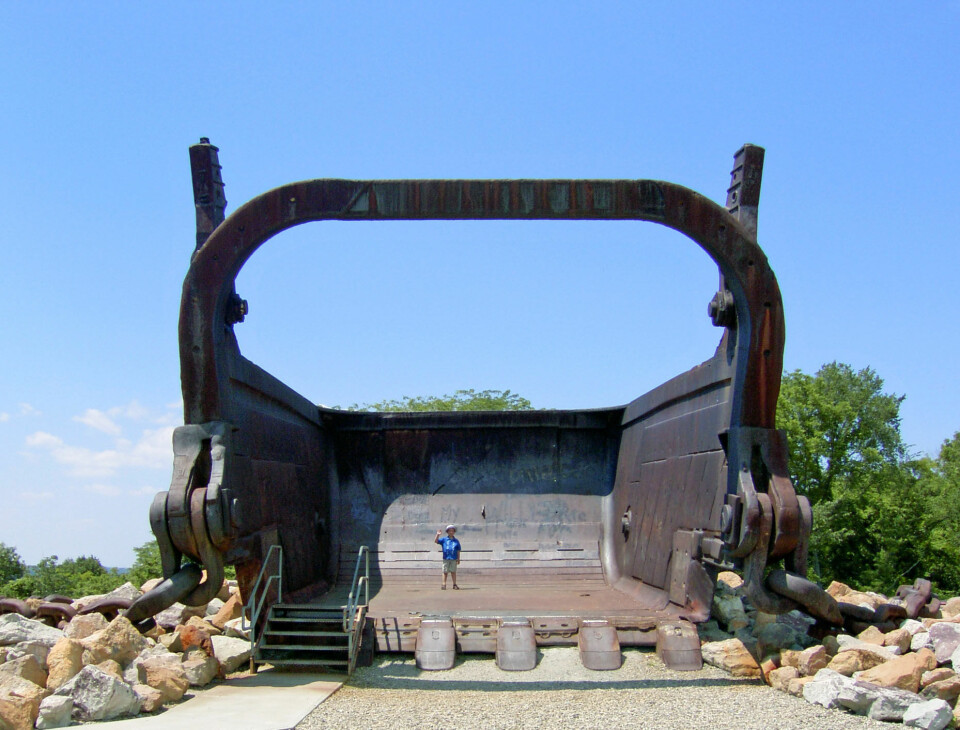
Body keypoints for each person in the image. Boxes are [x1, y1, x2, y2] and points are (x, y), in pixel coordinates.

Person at [434, 524, 461, 589]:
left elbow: (458, 550)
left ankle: (454, 584)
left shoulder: (456, 541)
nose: (451, 532)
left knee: (453, 571)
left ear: (454, 532)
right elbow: (436, 541)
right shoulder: (444, 539)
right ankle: (444, 584)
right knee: (445, 571)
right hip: (446, 558)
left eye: (452, 531)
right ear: (447, 532)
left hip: (453, 558)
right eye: (449, 531)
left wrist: (458, 558)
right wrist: (437, 535)